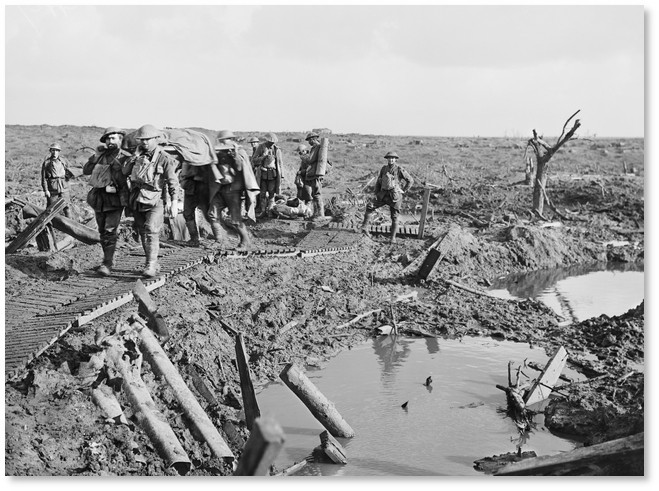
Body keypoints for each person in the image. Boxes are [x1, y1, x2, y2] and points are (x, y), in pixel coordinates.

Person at [124, 124, 180, 277]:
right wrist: (134, 158)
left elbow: (172, 181)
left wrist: (174, 201)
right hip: (137, 199)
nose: (145, 143)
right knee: (142, 231)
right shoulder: (137, 157)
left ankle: (151, 265)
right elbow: (124, 171)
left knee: (151, 229)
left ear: (156, 139)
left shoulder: (164, 158)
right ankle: (152, 262)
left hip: (156, 200)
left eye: (148, 139)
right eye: (142, 140)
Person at [82, 127, 132, 276]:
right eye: (108, 139)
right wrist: (95, 156)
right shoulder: (101, 155)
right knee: (102, 230)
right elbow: (86, 170)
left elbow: (129, 174)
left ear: (120, 140)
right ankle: (107, 260)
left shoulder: (124, 156)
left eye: (113, 138)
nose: (110, 142)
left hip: (116, 198)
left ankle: (107, 263)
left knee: (110, 230)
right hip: (99, 197)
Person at [209, 130, 259, 249]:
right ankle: (218, 240)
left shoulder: (239, 151)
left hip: (234, 190)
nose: (222, 143)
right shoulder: (219, 153)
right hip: (220, 189)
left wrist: (235, 154)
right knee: (212, 214)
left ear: (230, 140)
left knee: (235, 219)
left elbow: (240, 168)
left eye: (223, 140)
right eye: (220, 141)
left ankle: (245, 241)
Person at [361, 151, 414, 244]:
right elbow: (379, 181)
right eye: (389, 158)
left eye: (393, 158)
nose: (391, 160)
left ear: (395, 159)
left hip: (394, 196)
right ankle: (364, 228)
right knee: (370, 206)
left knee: (394, 217)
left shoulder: (399, 169)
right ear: (387, 159)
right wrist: (376, 192)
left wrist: (403, 190)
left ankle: (392, 238)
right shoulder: (384, 169)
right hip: (383, 194)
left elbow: (410, 180)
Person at [179, 163, 212, 247]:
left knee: (210, 214)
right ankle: (194, 239)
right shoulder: (186, 156)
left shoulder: (203, 155)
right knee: (187, 213)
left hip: (203, 186)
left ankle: (220, 238)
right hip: (190, 186)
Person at [252, 132, 283, 217]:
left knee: (272, 193)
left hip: (273, 174)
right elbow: (254, 160)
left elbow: (280, 163)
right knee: (262, 193)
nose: (272, 143)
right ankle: (262, 211)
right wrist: (263, 157)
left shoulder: (277, 149)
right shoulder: (261, 147)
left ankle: (270, 211)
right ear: (267, 141)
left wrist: (282, 175)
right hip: (263, 174)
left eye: (273, 142)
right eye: (270, 142)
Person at [41, 143, 75, 218]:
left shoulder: (63, 161)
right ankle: (50, 227)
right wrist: (46, 190)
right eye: (53, 150)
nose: (55, 152)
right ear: (50, 151)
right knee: (50, 209)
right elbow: (44, 178)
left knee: (67, 207)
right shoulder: (46, 163)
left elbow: (70, 171)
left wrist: (68, 177)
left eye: (57, 150)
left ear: (59, 151)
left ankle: (70, 226)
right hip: (53, 189)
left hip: (64, 188)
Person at [301, 132, 329, 220]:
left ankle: (320, 214)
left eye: (309, 140)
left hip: (315, 174)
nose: (309, 142)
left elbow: (310, 160)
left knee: (317, 194)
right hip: (314, 172)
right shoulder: (316, 147)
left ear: (313, 139)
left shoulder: (316, 147)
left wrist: (303, 157)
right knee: (314, 194)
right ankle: (316, 214)